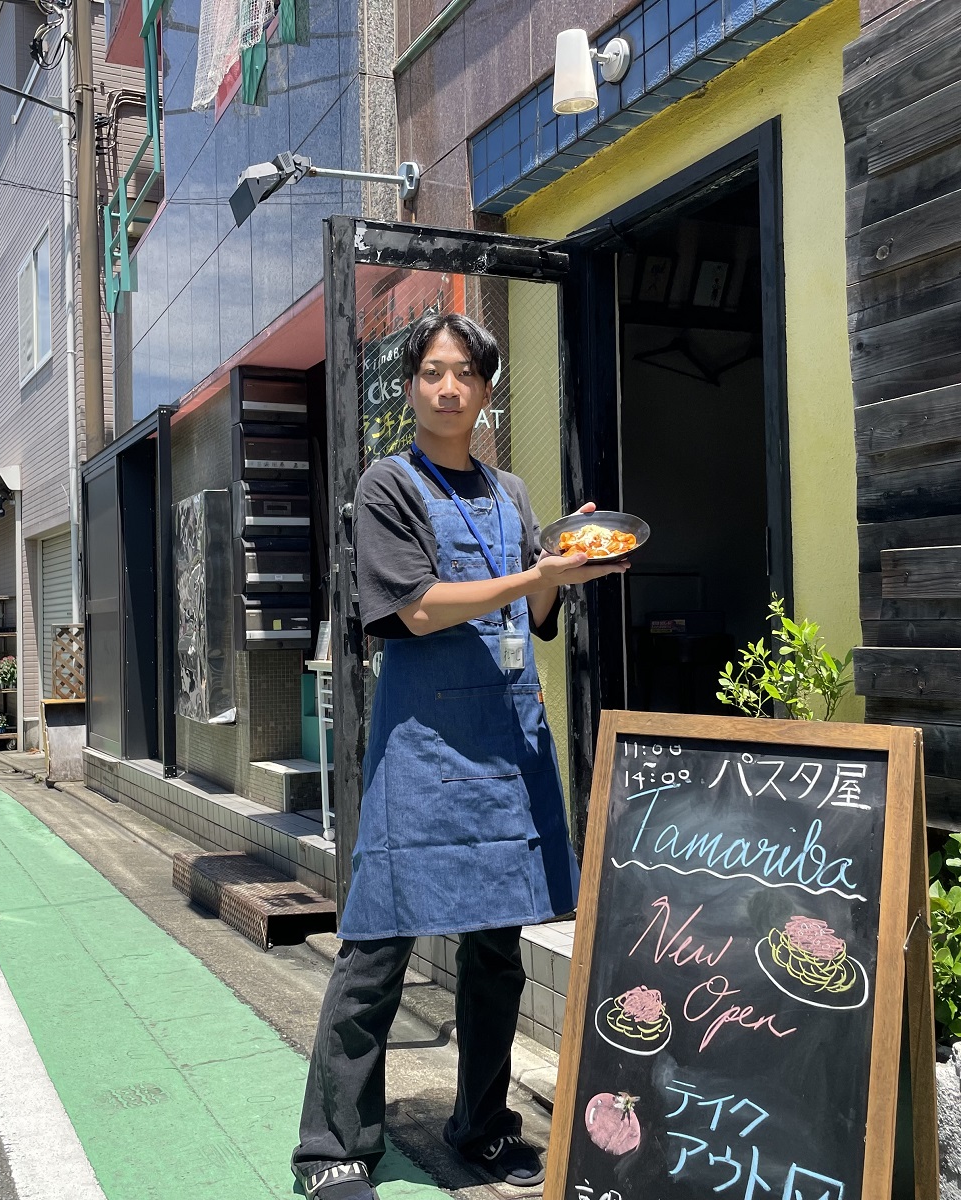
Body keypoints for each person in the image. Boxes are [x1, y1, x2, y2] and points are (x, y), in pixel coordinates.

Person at [291, 313, 628, 1200]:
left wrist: (559, 559)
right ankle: (334, 1147)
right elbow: (417, 610)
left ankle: (481, 1126)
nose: (448, 389)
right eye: (433, 373)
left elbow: (535, 618)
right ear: (412, 386)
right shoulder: (387, 486)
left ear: (486, 390)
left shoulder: (511, 493)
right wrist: (534, 576)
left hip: (507, 746)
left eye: (465, 375)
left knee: (496, 952)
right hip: (424, 749)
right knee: (375, 950)